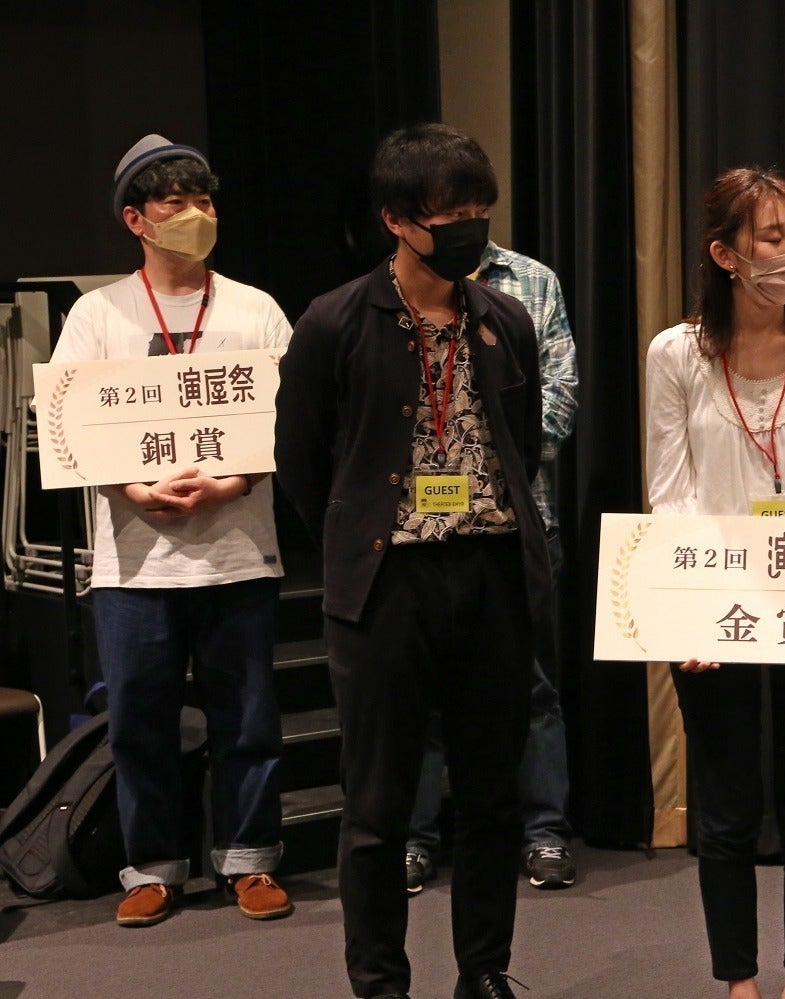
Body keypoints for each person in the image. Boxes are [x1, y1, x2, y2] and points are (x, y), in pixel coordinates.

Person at [275, 123, 547, 999]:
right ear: (396, 220)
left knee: (492, 796)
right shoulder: (335, 322)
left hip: (491, 574)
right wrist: (361, 534)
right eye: (449, 215)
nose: (469, 228)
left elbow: (523, 443)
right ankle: (381, 983)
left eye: (478, 211)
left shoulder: (503, 319)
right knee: (378, 805)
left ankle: (484, 970)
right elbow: (301, 461)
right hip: (387, 583)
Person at [49, 134, 293, 928]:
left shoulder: (255, 308)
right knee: (140, 722)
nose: (196, 214)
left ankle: (250, 860)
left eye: (205, 200)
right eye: (176, 202)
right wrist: (132, 486)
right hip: (134, 561)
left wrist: (232, 481)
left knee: (247, 718)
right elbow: (66, 421)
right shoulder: (98, 314)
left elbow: (291, 416)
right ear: (136, 219)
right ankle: (153, 867)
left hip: (237, 549)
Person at [645, 167, 785, 999]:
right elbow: (671, 491)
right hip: (715, 599)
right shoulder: (676, 353)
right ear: (725, 254)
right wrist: (690, 617)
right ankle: (738, 981)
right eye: (772, 237)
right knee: (727, 807)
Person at [405, 239, 579, 894]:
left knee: (532, 687)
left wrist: (490, 451)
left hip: (518, 520)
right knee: (419, 693)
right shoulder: (387, 291)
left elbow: (560, 396)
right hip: (417, 527)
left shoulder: (532, 282)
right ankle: (414, 840)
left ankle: (544, 833)